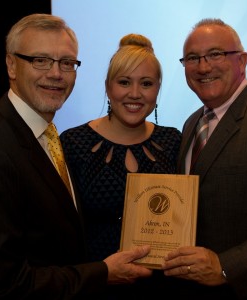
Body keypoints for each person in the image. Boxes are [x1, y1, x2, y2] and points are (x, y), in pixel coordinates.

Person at [0, 14, 153, 300]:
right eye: (40, 60)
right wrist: (102, 273)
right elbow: (2, 285)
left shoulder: (44, 134)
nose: (56, 74)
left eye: (67, 63)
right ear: (11, 65)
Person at [161, 18, 247, 299]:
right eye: (192, 58)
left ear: (243, 60)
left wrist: (226, 266)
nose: (203, 67)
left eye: (216, 54)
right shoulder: (192, 124)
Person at [60, 33, 182, 298]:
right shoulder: (73, 143)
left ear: (158, 88)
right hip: (94, 289)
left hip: (163, 289)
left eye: (146, 83)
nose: (135, 94)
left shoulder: (173, 141)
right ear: (108, 86)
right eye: (124, 82)